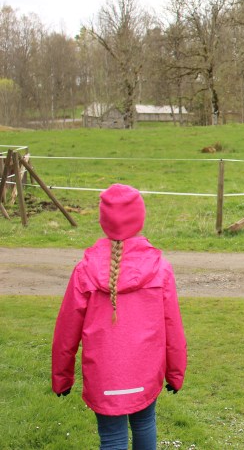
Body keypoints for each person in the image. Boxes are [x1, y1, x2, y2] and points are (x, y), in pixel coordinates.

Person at [52, 183, 187, 450]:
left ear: (103, 221)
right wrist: (175, 373)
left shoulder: (84, 270)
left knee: (112, 437)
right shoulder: (160, 268)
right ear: (139, 219)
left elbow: (66, 331)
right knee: (144, 424)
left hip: (104, 375)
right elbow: (173, 327)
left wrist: (62, 377)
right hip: (145, 372)